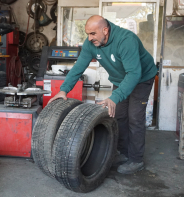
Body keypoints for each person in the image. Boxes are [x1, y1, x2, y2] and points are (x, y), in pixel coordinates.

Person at [48, 15, 157, 174]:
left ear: (105, 30)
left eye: (93, 34)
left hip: (141, 78)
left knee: (135, 117)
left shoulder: (126, 40)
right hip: (120, 79)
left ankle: (136, 159)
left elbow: (134, 73)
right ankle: (123, 153)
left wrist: (114, 97)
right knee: (118, 116)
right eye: (87, 34)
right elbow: (79, 67)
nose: (89, 38)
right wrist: (64, 90)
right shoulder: (90, 44)